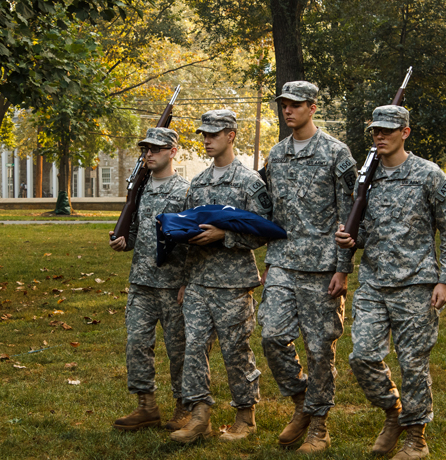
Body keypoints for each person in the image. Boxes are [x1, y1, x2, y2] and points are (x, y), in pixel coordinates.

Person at [335, 105, 446, 459]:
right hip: (375, 283)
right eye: (376, 130)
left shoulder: (428, 175)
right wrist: (350, 240)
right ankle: (394, 412)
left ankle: (415, 437)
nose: (380, 136)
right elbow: (362, 231)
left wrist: (445, 280)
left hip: (417, 285)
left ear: (405, 132)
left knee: (413, 364)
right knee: (362, 356)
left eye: (389, 130)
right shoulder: (368, 178)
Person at [258, 81, 357, 454]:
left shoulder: (336, 153)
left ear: (313, 107)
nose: (288, 111)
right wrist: (269, 261)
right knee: (271, 335)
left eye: (296, 105)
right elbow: (273, 212)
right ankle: (301, 400)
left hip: (322, 265)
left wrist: (343, 269)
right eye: (284, 105)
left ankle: (318, 425)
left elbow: (350, 214)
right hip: (283, 260)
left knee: (319, 348)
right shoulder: (277, 153)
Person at [170, 109, 272, 444]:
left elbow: (262, 233)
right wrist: (185, 279)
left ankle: (246, 417)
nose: (207, 140)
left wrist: (225, 236)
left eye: (214, 134)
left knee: (236, 351)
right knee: (194, 348)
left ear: (231, 135)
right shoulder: (198, 183)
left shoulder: (249, 182)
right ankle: (199, 417)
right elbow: (187, 232)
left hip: (233, 282)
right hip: (199, 280)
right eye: (204, 134)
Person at [108, 127, 191, 432]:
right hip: (141, 283)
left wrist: (188, 281)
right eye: (145, 149)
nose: (149, 154)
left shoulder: (186, 192)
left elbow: (193, 242)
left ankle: (184, 406)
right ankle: (146, 406)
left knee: (178, 349)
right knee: (136, 343)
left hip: (173, 285)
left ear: (173, 152)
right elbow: (133, 233)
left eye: (156, 149)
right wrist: (122, 242)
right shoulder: (140, 190)